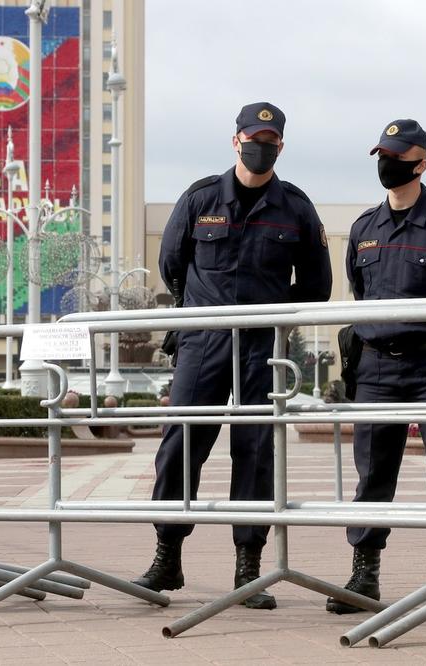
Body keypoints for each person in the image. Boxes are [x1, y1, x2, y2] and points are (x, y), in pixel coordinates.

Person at [131, 102, 333, 609]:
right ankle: (167, 556)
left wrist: (271, 315)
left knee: (256, 452)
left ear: (281, 146)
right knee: (180, 446)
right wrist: (200, 314)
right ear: (235, 139)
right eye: (252, 136)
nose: (259, 145)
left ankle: (248, 568)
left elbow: (317, 285)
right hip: (203, 341)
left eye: (270, 139)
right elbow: (172, 265)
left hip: (263, 347)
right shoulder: (200, 198)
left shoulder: (296, 208)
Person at [326, 119, 426, 616]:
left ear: (422, 162)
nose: (387, 163)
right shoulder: (363, 229)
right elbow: (360, 291)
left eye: (397, 156)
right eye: (382, 154)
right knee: (372, 475)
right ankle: (364, 576)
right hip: (375, 368)